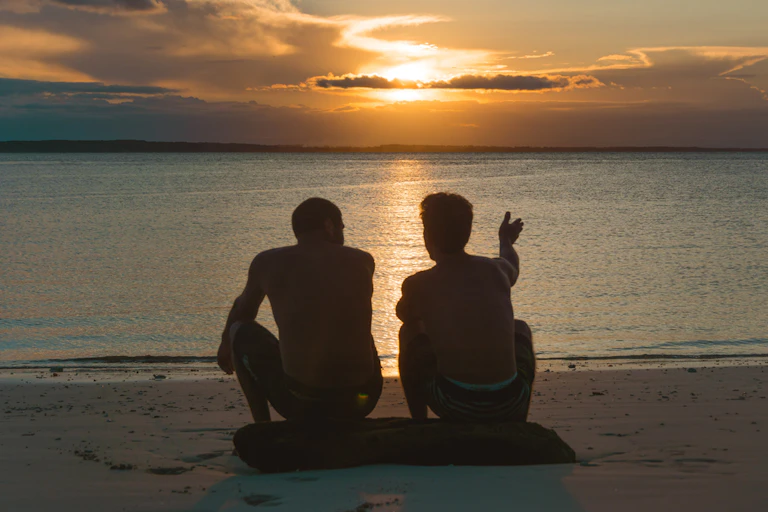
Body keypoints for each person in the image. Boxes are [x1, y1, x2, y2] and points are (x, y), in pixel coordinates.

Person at [217, 198, 382, 422]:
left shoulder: (266, 261)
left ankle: (262, 426)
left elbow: (243, 312)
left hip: (302, 402)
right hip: (363, 399)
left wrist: (225, 342)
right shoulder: (363, 260)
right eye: (342, 227)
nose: (343, 234)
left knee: (238, 329)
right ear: (329, 225)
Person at [396, 192, 535, 422]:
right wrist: (505, 240)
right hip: (510, 401)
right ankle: (517, 422)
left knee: (409, 332)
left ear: (426, 235)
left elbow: (405, 316)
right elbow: (512, 263)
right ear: (468, 233)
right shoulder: (496, 269)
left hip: (454, 403)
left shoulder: (418, 283)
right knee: (520, 328)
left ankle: (419, 422)